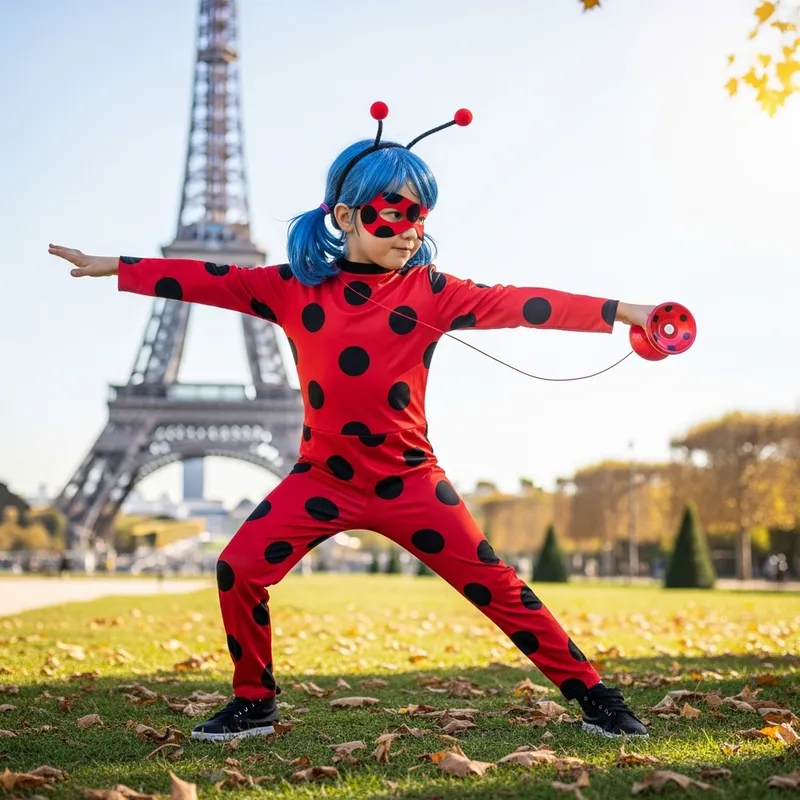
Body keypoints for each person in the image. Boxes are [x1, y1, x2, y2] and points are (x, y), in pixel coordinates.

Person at [49, 102, 654, 743]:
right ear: (343, 216)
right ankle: (254, 701)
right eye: (391, 213)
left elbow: (530, 305)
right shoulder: (290, 288)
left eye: (419, 215)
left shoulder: (434, 291)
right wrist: (117, 266)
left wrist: (625, 311)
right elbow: (210, 278)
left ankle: (597, 697)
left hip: (410, 481)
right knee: (239, 568)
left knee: (498, 587)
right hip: (322, 480)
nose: (408, 230)